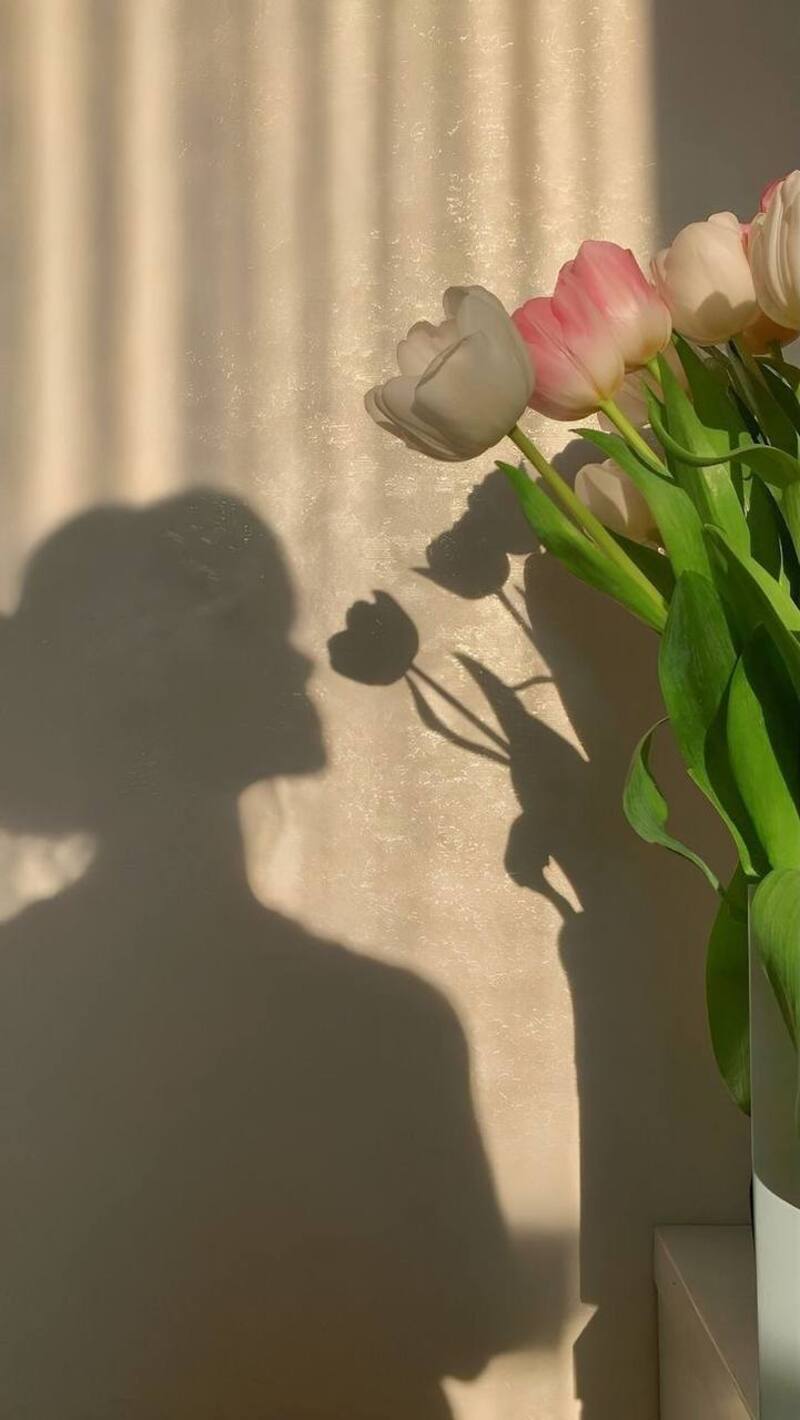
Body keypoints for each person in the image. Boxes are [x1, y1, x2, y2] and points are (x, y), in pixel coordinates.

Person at [0, 491, 518, 1418]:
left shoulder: (18, 1000)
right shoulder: (382, 1028)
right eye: (259, 631)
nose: (301, 659)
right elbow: (472, 1320)